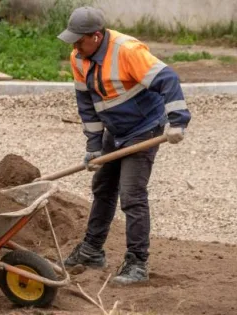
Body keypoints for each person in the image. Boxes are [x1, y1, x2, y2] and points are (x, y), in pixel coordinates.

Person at [57, 7, 191, 284]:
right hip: (115, 130)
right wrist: (94, 146)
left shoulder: (127, 50)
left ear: (96, 36)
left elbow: (168, 79)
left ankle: (137, 263)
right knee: (103, 187)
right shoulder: (78, 57)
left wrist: (177, 122)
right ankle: (92, 250)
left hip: (144, 129)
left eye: (79, 40)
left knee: (132, 194)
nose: (75, 46)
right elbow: (87, 106)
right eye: (73, 41)